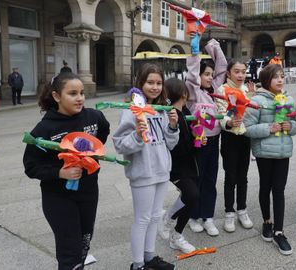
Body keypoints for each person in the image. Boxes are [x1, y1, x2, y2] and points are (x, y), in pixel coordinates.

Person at [23, 72, 110, 270]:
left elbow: (102, 131)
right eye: (72, 93)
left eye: (82, 93)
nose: (79, 98)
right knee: (69, 252)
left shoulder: (94, 117)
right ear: (56, 96)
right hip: (59, 198)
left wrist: (91, 153)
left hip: (88, 193)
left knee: (83, 244)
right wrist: (59, 173)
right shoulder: (43, 129)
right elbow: (31, 166)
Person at [112, 63, 179, 270]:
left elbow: (169, 143)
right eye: (150, 82)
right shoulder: (131, 111)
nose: (155, 87)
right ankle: (138, 264)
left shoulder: (159, 110)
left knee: (155, 216)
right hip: (143, 172)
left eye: (159, 83)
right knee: (142, 219)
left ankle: (150, 257)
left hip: (160, 171)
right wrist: (138, 135)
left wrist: (173, 126)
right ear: (140, 83)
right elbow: (120, 144)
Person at [243, 64, 296, 255]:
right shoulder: (257, 100)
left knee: (279, 190)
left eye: (282, 76)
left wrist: (289, 126)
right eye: (276, 77)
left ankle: (279, 231)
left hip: (283, 152)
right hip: (264, 152)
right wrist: (269, 128)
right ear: (267, 79)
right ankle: (267, 221)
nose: (280, 80)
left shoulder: (289, 99)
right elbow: (247, 128)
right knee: (265, 187)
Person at [185, 37, 227, 236]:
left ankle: (208, 217)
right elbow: (191, 76)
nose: (210, 77)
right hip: (199, 142)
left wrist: (214, 46)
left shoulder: (214, 91)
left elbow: (222, 67)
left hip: (214, 141)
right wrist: (194, 51)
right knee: (198, 179)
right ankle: (193, 216)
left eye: (211, 74)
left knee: (211, 179)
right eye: (206, 74)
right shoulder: (193, 93)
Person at [158, 78, 199, 254]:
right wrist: (193, 141)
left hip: (191, 164)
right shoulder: (172, 114)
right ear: (183, 93)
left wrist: (199, 138)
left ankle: (177, 236)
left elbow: (191, 136)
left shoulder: (185, 111)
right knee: (191, 194)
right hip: (176, 166)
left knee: (192, 198)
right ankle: (168, 218)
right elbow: (176, 145)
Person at [215, 60, 254, 233]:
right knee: (230, 176)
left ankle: (242, 210)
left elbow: (252, 113)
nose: (240, 75)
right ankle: (229, 212)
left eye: (243, 72)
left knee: (243, 176)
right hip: (230, 137)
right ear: (228, 73)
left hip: (244, 137)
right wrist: (228, 122)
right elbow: (221, 114)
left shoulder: (247, 90)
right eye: (236, 72)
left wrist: (252, 98)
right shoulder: (222, 90)